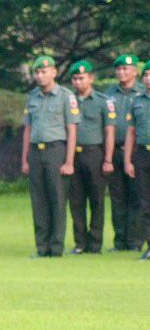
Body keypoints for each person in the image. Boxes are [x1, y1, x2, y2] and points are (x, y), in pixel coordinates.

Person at [21, 55, 78, 257]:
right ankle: (42, 247)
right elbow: (28, 129)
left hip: (56, 150)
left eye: (44, 72)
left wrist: (69, 161)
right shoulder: (32, 96)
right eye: (37, 72)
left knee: (57, 199)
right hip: (36, 151)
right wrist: (25, 158)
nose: (40, 76)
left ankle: (56, 247)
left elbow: (72, 130)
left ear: (54, 72)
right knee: (39, 201)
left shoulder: (65, 96)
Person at [65, 60, 113, 254]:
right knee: (76, 200)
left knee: (97, 200)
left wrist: (108, 159)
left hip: (94, 153)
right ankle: (80, 243)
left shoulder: (103, 101)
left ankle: (95, 243)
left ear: (91, 78)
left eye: (81, 78)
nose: (78, 82)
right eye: (75, 79)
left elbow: (109, 131)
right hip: (72, 154)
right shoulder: (67, 100)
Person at [106, 54, 142, 251]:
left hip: (138, 152)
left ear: (135, 71)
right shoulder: (109, 94)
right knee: (117, 197)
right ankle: (120, 241)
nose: (121, 72)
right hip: (115, 150)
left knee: (137, 196)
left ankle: (134, 241)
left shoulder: (143, 93)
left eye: (125, 69)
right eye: (118, 69)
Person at [124, 70, 150, 260]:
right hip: (142, 153)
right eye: (146, 75)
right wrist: (128, 160)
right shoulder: (137, 101)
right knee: (145, 202)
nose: (148, 78)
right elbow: (131, 132)